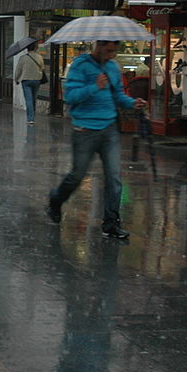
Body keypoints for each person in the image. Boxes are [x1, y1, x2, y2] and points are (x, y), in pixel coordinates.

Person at [46, 40, 145, 239]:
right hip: (85, 130)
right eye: (108, 50)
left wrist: (132, 103)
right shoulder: (80, 66)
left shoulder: (112, 67)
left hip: (109, 129)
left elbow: (117, 95)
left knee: (114, 179)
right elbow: (70, 96)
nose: (112, 55)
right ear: (98, 46)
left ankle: (111, 224)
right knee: (77, 175)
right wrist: (94, 86)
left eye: (114, 51)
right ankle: (55, 201)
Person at [14, 40, 44, 124]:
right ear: (35, 48)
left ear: (27, 48)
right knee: (34, 99)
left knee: (28, 99)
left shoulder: (23, 58)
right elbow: (42, 68)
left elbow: (18, 70)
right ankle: (32, 115)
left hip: (26, 80)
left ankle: (30, 118)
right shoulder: (39, 57)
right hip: (37, 80)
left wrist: (16, 79)